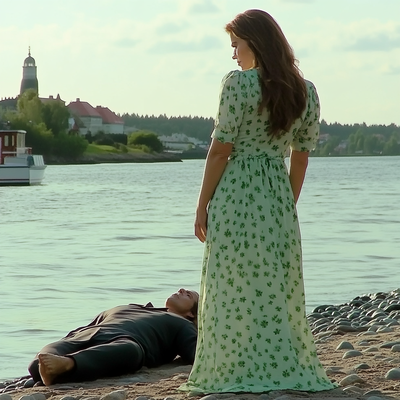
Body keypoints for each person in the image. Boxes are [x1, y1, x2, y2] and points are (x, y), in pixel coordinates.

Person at [180, 9, 335, 394]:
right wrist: (286, 203)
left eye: (237, 45)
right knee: (274, 282)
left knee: (231, 280)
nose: (233, 54)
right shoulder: (307, 91)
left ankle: (234, 366)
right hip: (277, 192)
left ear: (256, 42)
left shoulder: (237, 85)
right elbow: (301, 157)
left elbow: (221, 151)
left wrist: (201, 205)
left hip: (235, 191)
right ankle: (277, 362)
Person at [28, 288, 199, 386]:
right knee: (37, 363)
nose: (181, 290)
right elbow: (92, 323)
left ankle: (68, 364)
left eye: (188, 295)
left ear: (192, 313)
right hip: (85, 335)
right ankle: (55, 369)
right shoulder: (132, 307)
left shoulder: (182, 323)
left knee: (131, 351)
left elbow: (197, 353)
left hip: (126, 341)